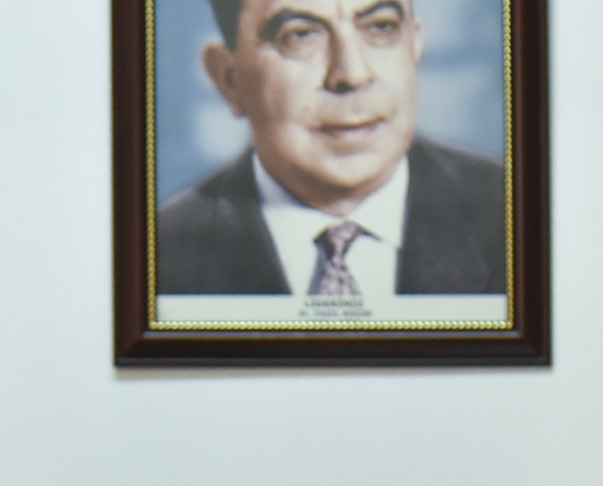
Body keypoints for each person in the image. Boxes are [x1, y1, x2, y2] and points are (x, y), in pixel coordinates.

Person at [157, 0, 506, 298]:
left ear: (415, 47)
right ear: (229, 80)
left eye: (381, 27)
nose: (351, 74)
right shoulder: (160, 257)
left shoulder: (514, 215)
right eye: (300, 35)